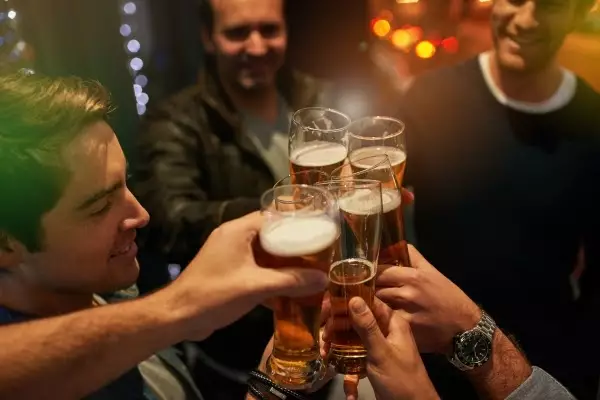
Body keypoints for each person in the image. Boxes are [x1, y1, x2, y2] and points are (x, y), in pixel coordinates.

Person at [0, 71, 329, 399]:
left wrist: (277, 381)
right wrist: (180, 308)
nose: (141, 215)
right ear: (6, 244)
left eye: (125, 183)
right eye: (99, 207)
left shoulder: (106, 288)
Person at [398, 0, 600, 397]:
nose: (526, 20)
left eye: (550, 6)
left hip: (540, 369)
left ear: (577, 15)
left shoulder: (592, 120)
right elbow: (389, 206)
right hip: (435, 362)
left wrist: (584, 371)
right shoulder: (430, 96)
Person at [134, 0, 334, 396]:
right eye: (238, 32)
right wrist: (275, 215)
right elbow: (167, 220)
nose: (257, 47)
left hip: (329, 338)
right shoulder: (177, 120)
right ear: (208, 38)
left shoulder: (318, 99)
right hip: (236, 361)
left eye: (269, 30)